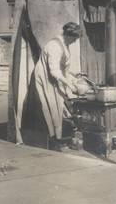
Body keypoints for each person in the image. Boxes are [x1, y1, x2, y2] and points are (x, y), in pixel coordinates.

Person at [29, 22, 83, 151]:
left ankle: (57, 138)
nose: (75, 41)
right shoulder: (54, 45)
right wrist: (70, 84)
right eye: (74, 39)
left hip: (53, 79)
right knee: (50, 108)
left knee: (58, 108)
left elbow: (61, 66)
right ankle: (52, 141)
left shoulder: (64, 44)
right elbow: (54, 71)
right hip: (46, 80)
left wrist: (72, 74)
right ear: (68, 35)